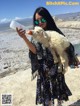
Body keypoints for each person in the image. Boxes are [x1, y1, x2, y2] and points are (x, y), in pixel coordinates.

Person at [16, 7, 72, 106]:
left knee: (59, 98)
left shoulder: (55, 33)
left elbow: (66, 46)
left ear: (47, 18)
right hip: (44, 73)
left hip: (56, 71)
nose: (40, 23)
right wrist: (24, 37)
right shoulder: (36, 34)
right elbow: (35, 51)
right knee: (47, 101)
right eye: (37, 21)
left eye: (42, 19)